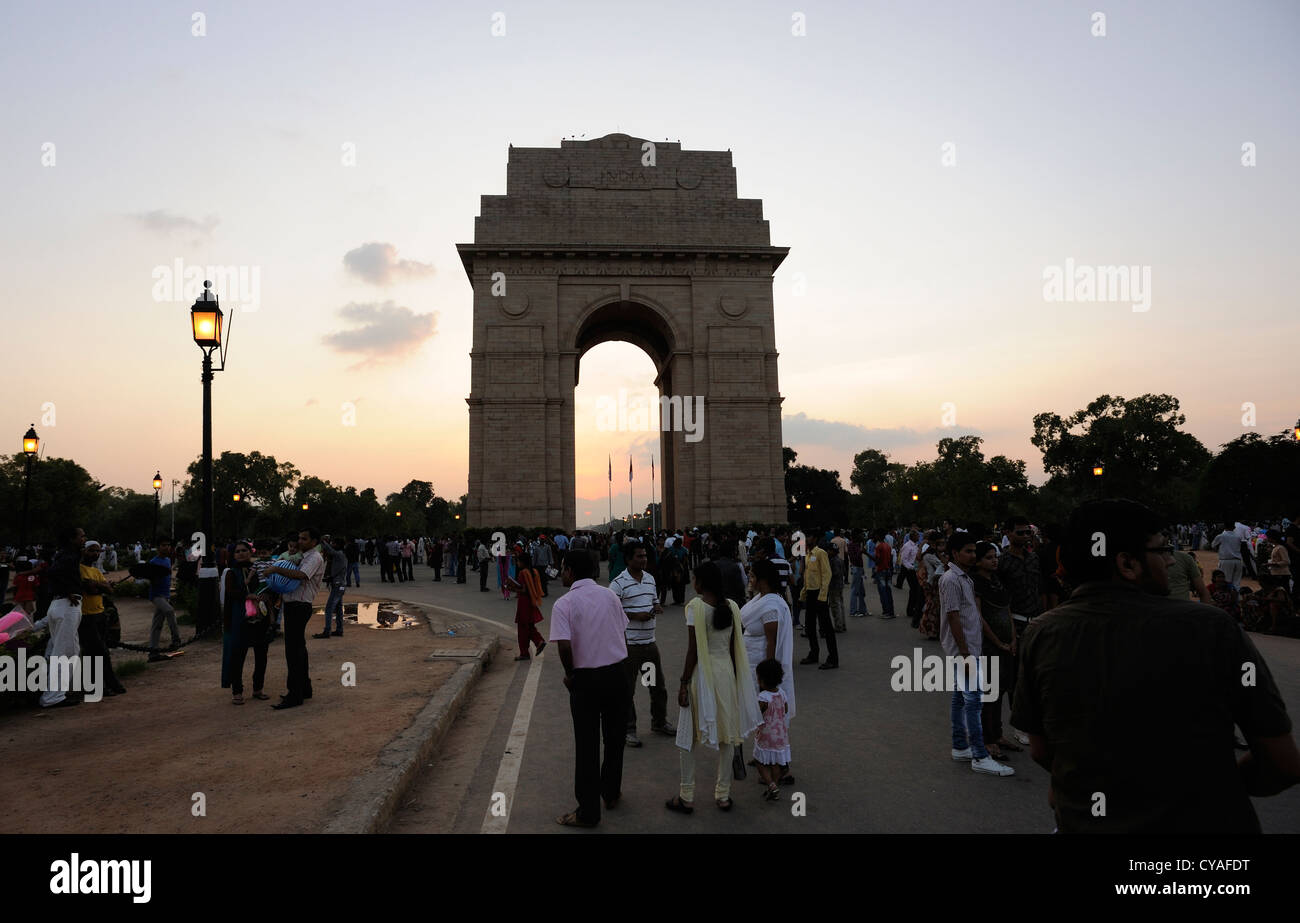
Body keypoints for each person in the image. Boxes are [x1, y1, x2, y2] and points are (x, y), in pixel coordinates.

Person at [1013, 499, 1300, 832]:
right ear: (1128, 564)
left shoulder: (1041, 634)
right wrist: (1205, 788)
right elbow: (1283, 763)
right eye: (1162, 550)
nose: (1169, 561)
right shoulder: (1211, 629)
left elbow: (1041, 750)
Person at [666, 562, 763, 815]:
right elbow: (733, 648)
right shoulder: (731, 607)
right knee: (727, 735)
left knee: (687, 737)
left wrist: (683, 683)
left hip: (702, 676)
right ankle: (723, 795)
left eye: (694, 577)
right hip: (726, 674)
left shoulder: (695, 608)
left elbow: (693, 651)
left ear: (700, 582)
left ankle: (686, 795)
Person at [551, 549, 630, 828]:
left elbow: (563, 644)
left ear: (570, 571)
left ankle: (588, 812)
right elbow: (621, 631)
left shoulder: (564, 603)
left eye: (562, 568)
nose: (561, 573)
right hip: (618, 674)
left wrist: (570, 675)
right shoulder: (610, 595)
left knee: (587, 745)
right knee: (614, 737)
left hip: (585, 679)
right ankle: (610, 792)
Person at [939, 531, 1014, 776]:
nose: (972, 555)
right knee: (974, 701)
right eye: (968, 551)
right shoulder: (951, 579)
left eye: (974, 551)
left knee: (961, 697)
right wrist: (965, 653)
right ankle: (980, 755)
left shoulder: (965, 578)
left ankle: (961, 746)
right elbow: (952, 616)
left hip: (970, 647)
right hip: (965, 651)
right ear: (954, 553)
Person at [610, 542, 674, 746]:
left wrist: (656, 606)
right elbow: (611, 613)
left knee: (655, 686)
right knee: (627, 690)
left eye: (645, 555)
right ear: (628, 559)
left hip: (649, 645)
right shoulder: (618, 584)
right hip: (630, 647)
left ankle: (659, 721)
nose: (644, 559)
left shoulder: (650, 579)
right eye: (639, 556)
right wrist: (635, 616)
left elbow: (653, 599)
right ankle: (628, 729)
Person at [266, 528, 325, 710]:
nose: (300, 541)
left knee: (293, 651)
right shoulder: (303, 555)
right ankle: (304, 689)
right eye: (299, 538)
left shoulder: (314, 557)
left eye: (304, 538)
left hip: (299, 606)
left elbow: (301, 575)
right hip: (293, 605)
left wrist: (276, 568)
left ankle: (295, 694)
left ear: (314, 541)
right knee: (299, 649)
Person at [973, 541, 1018, 761]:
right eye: (989, 557)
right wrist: (997, 642)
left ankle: (998, 734)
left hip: (1007, 643)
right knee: (989, 693)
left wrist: (1012, 638)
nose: (994, 560)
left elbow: (1007, 611)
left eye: (995, 557)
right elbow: (979, 617)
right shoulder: (977, 583)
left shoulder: (997, 580)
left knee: (1001, 690)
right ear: (979, 561)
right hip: (990, 645)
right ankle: (987, 739)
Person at [38, 527, 86, 708]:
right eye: (81, 536)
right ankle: (52, 697)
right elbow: (53, 572)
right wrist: (68, 592)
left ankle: (61, 691)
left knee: (70, 651)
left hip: (61, 605)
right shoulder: (69, 556)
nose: (84, 539)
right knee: (63, 652)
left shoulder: (65, 554)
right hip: (67, 606)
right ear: (72, 539)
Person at [221, 541, 271, 704]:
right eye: (237, 551)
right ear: (233, 555)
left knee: (261, 655)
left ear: (250, 552)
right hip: (239, 619)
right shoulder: (231, 573)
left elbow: (268, 586)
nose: (241, 554)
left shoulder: (257, 570)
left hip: (260, 619)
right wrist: (245, 596)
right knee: (238, 656)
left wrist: (266, 596)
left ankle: (258, 689)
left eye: (244, 550)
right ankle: (237, 691)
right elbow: (230, 593)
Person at [78, 541, 125, 696]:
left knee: (98, 652)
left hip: (99, 614)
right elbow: (91, 590)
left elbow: (107, 590)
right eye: (92, 551)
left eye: (98, 551)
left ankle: (102, 685)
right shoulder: (79, 569)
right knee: (98, 651)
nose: (96, 554)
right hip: (86, 615)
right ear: (84, 551)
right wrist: (101, 586)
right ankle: (103, 684)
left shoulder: (95, 571)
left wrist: (98, 585)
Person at [753, 658, 792, 801]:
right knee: (775, 762)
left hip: (766, 736)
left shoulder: (763, 697)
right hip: (781, 735)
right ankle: (775, 784)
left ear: (761, 680)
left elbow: (756, 714)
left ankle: (770, 784)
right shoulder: (781, 693)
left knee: (759, 761)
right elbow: (786, 709)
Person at [798, 532, 838, 669]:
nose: (806, 539)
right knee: (809, 626)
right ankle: (813, 653)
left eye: (808, 536)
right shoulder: (808, 554)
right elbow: (808, 575)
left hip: (819, 594)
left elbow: (827, 574)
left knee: (826, 627)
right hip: (810, 593)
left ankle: (833, 658)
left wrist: (823, 595)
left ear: (814, 537)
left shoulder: (821, 553)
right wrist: (804, 591)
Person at [504, 544, 547, 661]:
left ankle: (527, 651)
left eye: (518, 561)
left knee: (523, 628)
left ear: (522, 562)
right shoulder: (533, 571)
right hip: (532, 601)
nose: (517, 563)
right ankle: (538, 642)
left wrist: (512, 588)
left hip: (524, 602)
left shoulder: (523, 573)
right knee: (529, 625)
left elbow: (523, 589)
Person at [147, 540, 180, 662]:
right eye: (163, 545)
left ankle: (153, 653)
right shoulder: (153, 562)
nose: (166, 547)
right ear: (158, 547)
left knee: (157, 624)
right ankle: (176, 640)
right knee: (170, 611)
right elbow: (151, 581)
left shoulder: (167, 560)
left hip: (165, 595)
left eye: (168, 545)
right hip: (156, 595)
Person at [314, 536, 348, 639]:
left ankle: (327, 631)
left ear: (338, 545)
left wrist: (321, 540)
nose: (332, 545)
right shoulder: (341, 555)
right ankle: (339, 629)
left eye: (333, 543)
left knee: (329, 608)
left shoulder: (338, 555)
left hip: (338, 585)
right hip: (339, 585)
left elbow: (329, 549)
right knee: (338, 609)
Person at [917, 532, 945, 640]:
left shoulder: (933, 554)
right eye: (941, 544)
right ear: (934, 544)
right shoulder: (929, 555)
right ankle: (932, 630)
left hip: (933, 582)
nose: (943, 546)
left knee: (934, 607)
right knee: (933, 607)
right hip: (932, 583)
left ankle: (933, 630)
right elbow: (940, 566)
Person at [1211, 522, 1246, 589]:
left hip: (1226, 560)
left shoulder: (1221, 536)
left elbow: (1213, 545)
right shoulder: (1238, 537)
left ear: (1224, 527)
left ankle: (1228, 597)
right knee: (1237, 582)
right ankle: (1236, 596)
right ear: (1234, 528)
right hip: (1238, 560)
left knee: (1226, 580)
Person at [872, 529, 896, 619]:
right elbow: (889, 560)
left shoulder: (879, 547)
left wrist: (866, 553)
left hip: (881, 570)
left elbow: (877, 561)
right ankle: (891, 611)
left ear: (878, 536)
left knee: (883, 593)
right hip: (887, 570)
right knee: (888, 592)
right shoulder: (887, 546)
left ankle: (886, 612)